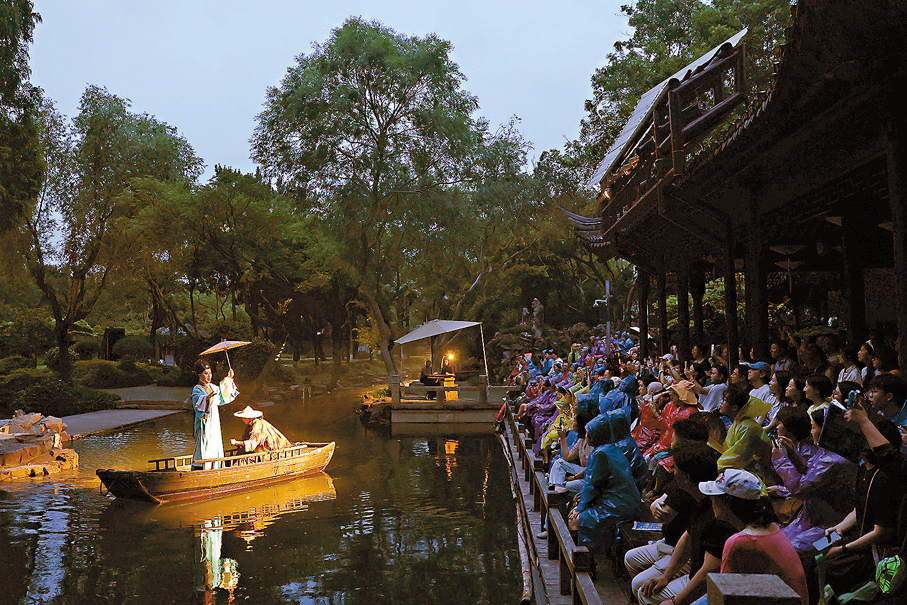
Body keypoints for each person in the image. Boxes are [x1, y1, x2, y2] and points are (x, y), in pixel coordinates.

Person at [694, 468, 809, 605]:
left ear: (726, 501)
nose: (711, 500)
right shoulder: (772, 528)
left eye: (714, 496)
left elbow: (724, 595)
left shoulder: (740, 541)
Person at [192, 359, 239, 470]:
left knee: (215, 442)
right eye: (205, 373)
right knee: (205, 443)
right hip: (204, 423)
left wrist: (228, 379)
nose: (209, 376)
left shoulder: (213, 387)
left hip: (214, 422)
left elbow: (223, 395)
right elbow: (198, 403)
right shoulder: (197, 389)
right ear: (199, 375)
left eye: (210, 373)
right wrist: (207, 398)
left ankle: (216, 468)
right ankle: (201, 467)